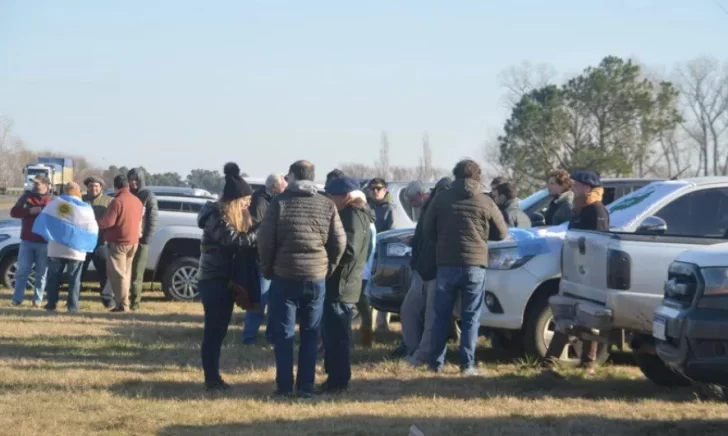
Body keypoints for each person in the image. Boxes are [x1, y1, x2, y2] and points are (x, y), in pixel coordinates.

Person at [258, 160, 346, 398]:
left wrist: (267, 268)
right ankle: (306, 386)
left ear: (295, 176)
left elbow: (265, 240)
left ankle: (285, 387)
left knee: (284, 333)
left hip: (284, 276)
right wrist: (328, 266)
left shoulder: (279, 203)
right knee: (311, 332)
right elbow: (339, 241)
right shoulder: (327, 204)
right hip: (316, 277)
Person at [424, 159, 508, 375]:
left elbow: (427, 229)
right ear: (478, 177)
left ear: (456, 175)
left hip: (446, 264)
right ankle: (467, 364)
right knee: (471, 317)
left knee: (441, 315)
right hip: (474, 265)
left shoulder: (442, 198)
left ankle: (435, 364)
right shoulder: (485, 201)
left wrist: (442, 241)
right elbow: (501, 233)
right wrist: (481, 237)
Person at [197, 162, 257, 390]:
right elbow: (235, 241)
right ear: (234, 201)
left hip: (222, 279)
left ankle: (213, 376)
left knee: (219, 330)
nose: (247, 205)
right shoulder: (217, 218)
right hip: (214, 280)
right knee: (214, 330)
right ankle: (211, 378)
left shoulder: (224, 217)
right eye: (244, 201)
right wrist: (259, 232)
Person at [543, 171, 608, 375]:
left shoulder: (596, 211)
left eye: (577, 186)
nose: (573, 189)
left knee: (585, 319)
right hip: (576, 273)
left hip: (590, 276)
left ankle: (582, 363)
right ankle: (555, 363)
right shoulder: (579, 209)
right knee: (566, 315)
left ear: (587, 188)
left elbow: (598, 245)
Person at [320, 176, 375, 393]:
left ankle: (338, 380)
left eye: (332, 196)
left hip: (340, 283)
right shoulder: (361, 215)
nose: (330, 200)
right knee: (337, 334)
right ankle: (336, 378)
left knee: (336, 336)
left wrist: (326, 258)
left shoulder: (349, 216)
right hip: (347, 282)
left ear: (346, 197)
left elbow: (348, 250)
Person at [401, 177, 452, 366]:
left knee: (431, 317)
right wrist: (414, 241)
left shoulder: (436, 209)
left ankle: (422, 355)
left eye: (414, 201)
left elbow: (435, 240)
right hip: (422, 271)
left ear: (422, 195)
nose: (413, 205)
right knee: (408, 310)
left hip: (434, 271)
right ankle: (413, 350)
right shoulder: (426, 211)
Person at [34, 182, 99, 313]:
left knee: (53, 278)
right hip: (76, 249)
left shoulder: (55, 203)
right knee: (74, 279)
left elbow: (45, 220)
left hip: (56, 248)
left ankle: (51, 304)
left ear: (65, 190)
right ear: (78, 192)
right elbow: (92, 228)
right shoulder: (85, 208)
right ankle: (73, 306)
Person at [241, 172, 287, 345]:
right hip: (262, 259)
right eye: (283, 187)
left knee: (271, 300)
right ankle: (249, 337)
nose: (285, 191)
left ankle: (269, 336)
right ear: (275, 187)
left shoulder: (269, 200)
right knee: (259, 301)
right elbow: (256, 231)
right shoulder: (261, 202)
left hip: (270, 258)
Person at [99, 175, 143, 312]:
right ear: (128, 186)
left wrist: (95, 223)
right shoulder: (137, 201)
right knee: (126, 273)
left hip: (118, 243)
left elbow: (108, 222)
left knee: (118, 275)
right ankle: (123, 303)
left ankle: (123, 305)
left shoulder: (117, 201)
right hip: (133, 242)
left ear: (115, 187)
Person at [10, 174, 53, 307]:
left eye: (37, 183)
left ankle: (37, 301)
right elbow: (14, 212)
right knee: (22, 271)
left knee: (41, 273)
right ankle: (17, 299)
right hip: (27, 241)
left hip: (45, 242)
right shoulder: (26, 197)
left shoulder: (53, 200)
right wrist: (29, 211)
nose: (34, 185)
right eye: (34, 183)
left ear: (45, 185)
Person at [367, 177, 397, 332]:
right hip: (366, 254)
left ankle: (382, 326)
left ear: (385, 191)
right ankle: (368, 326)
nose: (375, 191)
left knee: (382, 289)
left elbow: (391, 233)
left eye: (378, 188)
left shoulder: (389, 209)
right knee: (367, 290)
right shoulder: (365, 206)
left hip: (381, 254)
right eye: (372, 188)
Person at [127, 168, 159, 311]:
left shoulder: (148, 195)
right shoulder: (127, 195)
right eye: (130, 179)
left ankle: (135, 303)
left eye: (135, 179)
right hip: (126, 240)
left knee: (136, 274)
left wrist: (145, 240)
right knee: (125, 273)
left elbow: (152, 220)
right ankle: (124, 300)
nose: (133, 182)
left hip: (140, 241)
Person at [82, 176, 114, 308]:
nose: (93, 188)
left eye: (96, 186)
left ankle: (107, 300)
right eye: (91, 186)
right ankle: (73, 300)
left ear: (101, 187)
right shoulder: (81, 200)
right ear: (87, 188)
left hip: (101, 243)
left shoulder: (109, 201)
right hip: (83, 243)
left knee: (104, 274)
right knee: (78, 272)